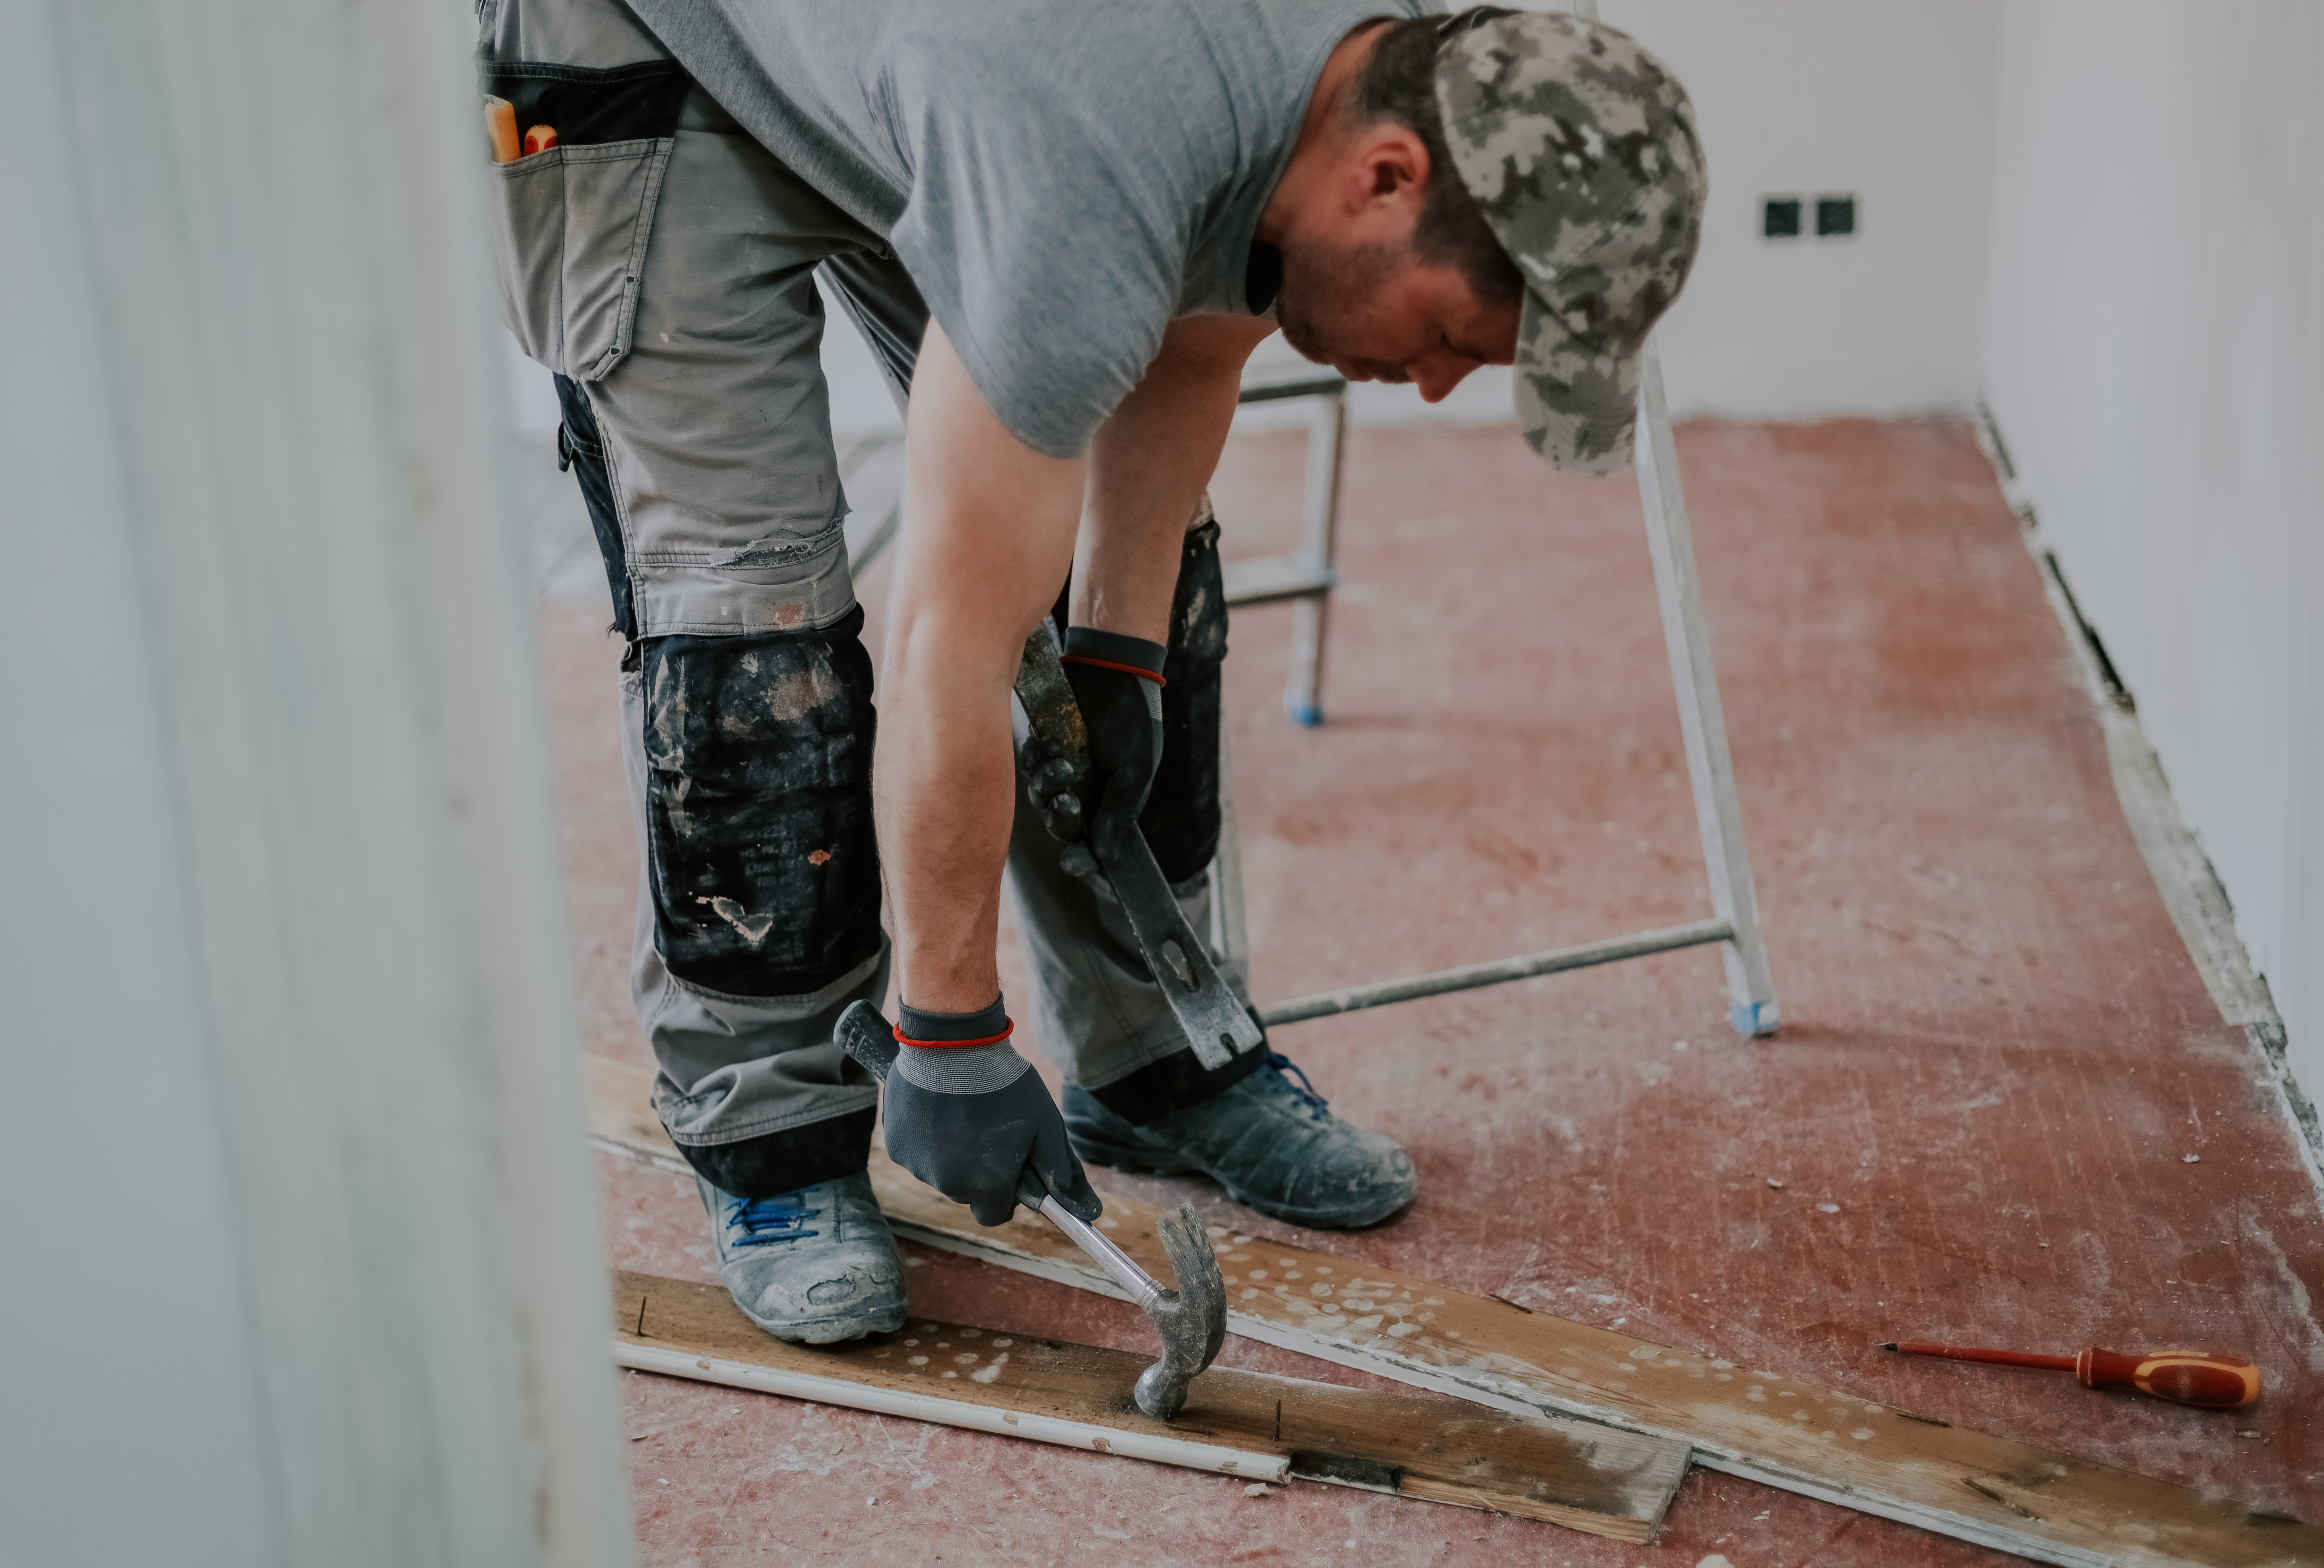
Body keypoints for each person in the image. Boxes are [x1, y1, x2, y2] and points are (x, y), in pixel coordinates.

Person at [478, 0, 1705, 1345]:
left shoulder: (1352, 84)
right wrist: (948, 1029)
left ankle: (1150, 1053)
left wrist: (1117, 652)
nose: (1431, 385)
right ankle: (778, 1138)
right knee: (758, 650)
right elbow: (948, 634)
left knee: (1120, 589)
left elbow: (1192, 337)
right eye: (1461, 336)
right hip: (651, 38)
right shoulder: (1089, 163)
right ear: (1389, 177)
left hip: (948, 65)